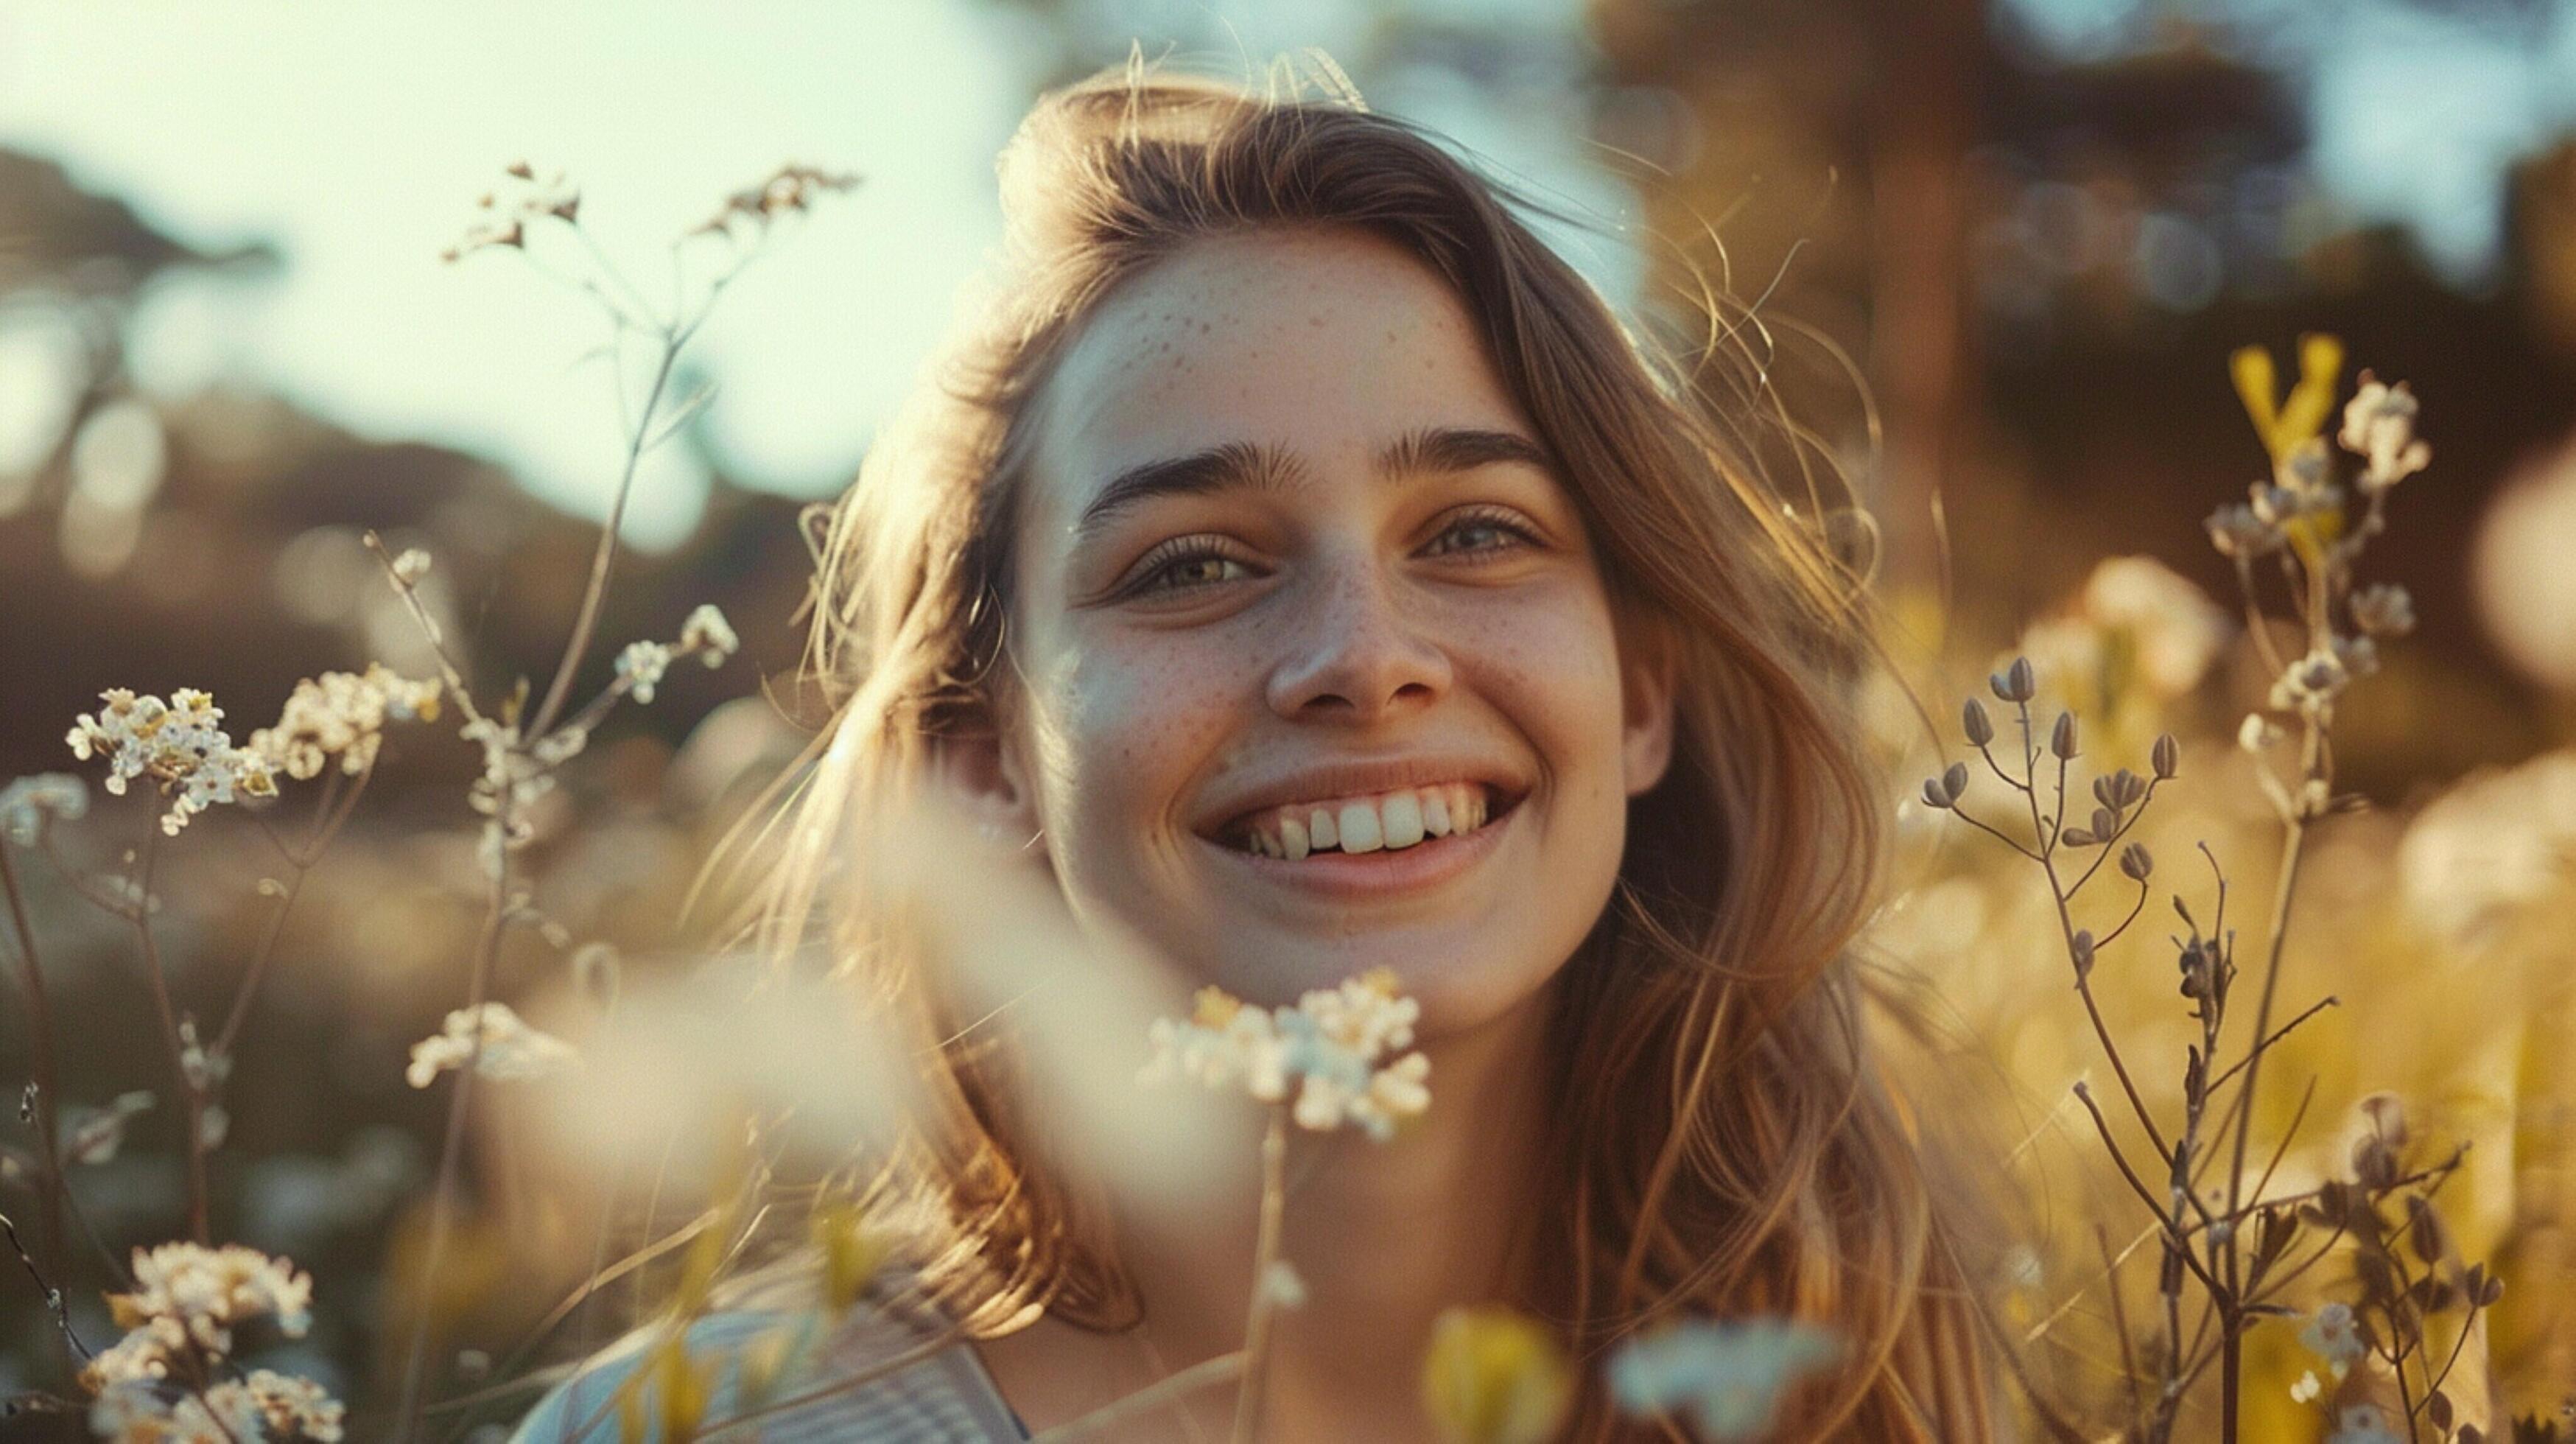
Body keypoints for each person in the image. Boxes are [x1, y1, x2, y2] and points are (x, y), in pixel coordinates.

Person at [513, 49, 2000, 1443]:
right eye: (1193, 564)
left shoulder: (1874, 1380)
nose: (1364, 658)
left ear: (1638, 695)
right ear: (987, 765)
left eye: (1477, 532)